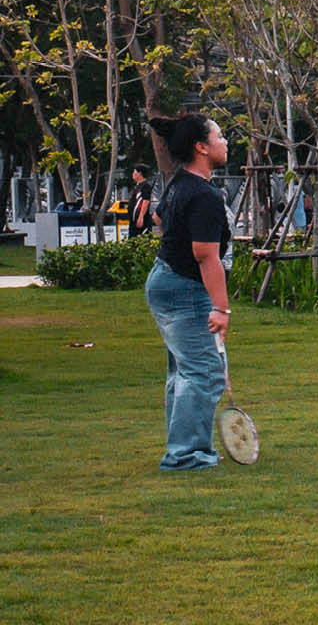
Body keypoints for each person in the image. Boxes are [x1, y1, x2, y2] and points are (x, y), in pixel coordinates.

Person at [142, 113, 234, 472]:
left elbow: (160, 218)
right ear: (201, 147)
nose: (225, 142)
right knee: (204, 372)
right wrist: (221, 309)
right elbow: (205, 256)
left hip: (165, 281)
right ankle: (186, 455)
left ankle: (186, 448)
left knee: (185, 370)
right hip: (185, 289)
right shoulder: (204, 195)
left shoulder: (179, 182)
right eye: (220, 135)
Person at [129, 167, 157, 237]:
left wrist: (141, 217)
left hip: (142, 222)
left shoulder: (145, 186)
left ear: (140, 174)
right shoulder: (137, 186)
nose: (133, 174)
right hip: (133, 221)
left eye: (134, 172)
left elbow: (145, 202)